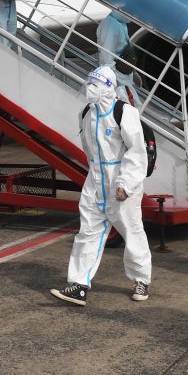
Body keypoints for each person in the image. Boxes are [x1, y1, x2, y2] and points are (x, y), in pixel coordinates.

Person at [50, 65, 151, 306]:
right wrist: (97, 175)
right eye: (89, 85)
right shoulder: (86, 113)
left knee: (131, 230)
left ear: (108, 88)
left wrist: (125, 182)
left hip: (120, 178)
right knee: (87, 232)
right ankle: (79, 284)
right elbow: (88, 147)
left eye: (94, 86)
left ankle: (141, 279)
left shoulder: (124, 113)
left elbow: (137, 152)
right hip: (95, 179)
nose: (89, 90)